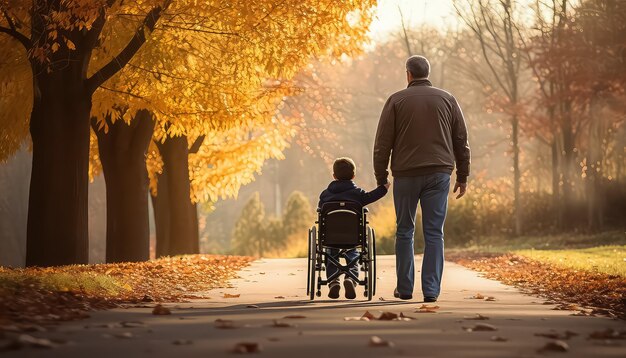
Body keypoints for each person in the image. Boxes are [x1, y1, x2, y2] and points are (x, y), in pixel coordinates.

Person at [373, 55, 471, 302]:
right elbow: (461, 140)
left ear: (408, 74)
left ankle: (405, 289)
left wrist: (381, 176)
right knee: (434, 232)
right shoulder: (448, 99)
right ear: (427, 73)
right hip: (439, 173)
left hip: (406, 175)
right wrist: (463, 175)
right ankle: (431, 290)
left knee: (405, 231)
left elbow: (382, 143)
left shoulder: (396, 100)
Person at [318, 157, 389, 299]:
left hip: (330, 238)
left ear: (334, 176)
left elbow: (320, 210)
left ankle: (333, 281)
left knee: (331, 253)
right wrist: (384, 188)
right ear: (353, 176)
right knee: (354, 253)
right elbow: (372, 195)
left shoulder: (325, 195)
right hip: (354, 237)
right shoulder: (358, 194)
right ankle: (350, 278)